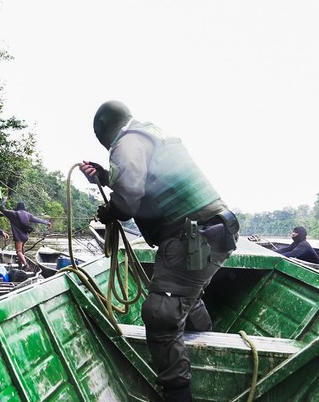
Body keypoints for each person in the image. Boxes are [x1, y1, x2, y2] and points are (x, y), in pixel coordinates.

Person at [79, 100, 239, 402]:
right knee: (185, 301)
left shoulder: (125, 141)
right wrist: (104, 177)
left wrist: (110, 211)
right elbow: (141, 178)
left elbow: (130, 195)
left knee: (160, 316)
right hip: (213, 230)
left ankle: (179, 396)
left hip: (193, 235)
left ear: (104, 132)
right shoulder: (148, 134)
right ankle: (207, 350)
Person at [0, 197, 51, 268]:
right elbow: (37, 220)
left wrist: (4, 200)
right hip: (25, 236)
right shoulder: (28, 215)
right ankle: (21, 263)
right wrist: (46, 222)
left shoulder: (14, 213)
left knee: (18, 251)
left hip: (19, 236)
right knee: (22, 250)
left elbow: (2, 209)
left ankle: (26, 265)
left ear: (17, 208)